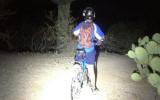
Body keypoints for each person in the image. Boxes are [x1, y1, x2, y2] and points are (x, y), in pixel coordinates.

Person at [72, 7, 105, 94]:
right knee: (91, 68)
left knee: (78, 61)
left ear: (84, 15)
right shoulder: (94, 26)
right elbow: (101, 37)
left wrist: (80, 36)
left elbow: (75, 33)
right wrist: (99, 41)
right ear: (93, 16)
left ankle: (77, 71)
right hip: (90, 50)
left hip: (80, 49)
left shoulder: (81, 24)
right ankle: (93, 88)